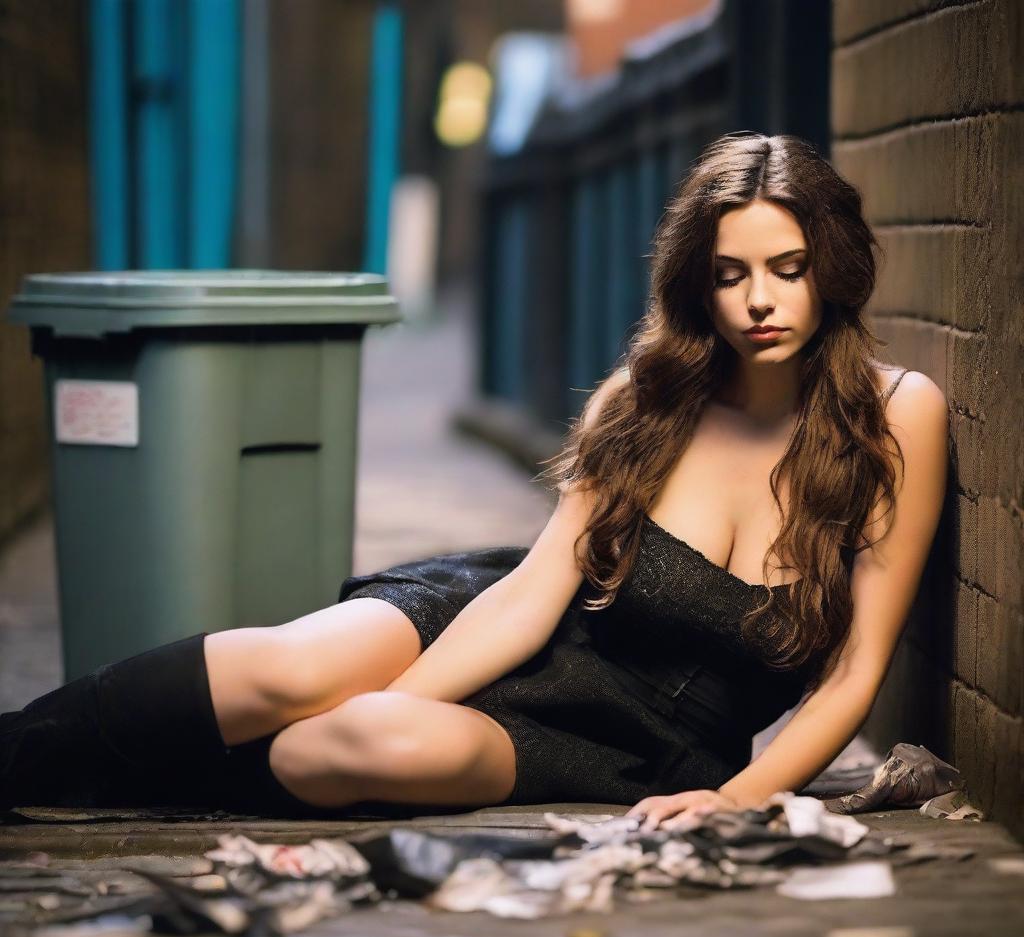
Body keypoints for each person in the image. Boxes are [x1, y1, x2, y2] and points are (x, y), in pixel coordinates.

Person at [0, 131, 949, 831]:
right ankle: (19, 757)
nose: (759, 301)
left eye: (787, 268)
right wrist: (401, 693)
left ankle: (147, 776)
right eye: (729, 273)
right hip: (498, 616)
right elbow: (534, 594)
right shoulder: (647, 396)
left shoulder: (898, 414)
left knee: (337, 744)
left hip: (640, 740)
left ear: (829, 268)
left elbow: (853, 675)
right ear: (696, 285)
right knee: (282, 670)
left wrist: (734, 803)